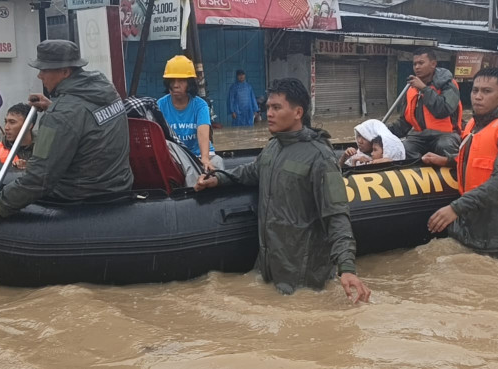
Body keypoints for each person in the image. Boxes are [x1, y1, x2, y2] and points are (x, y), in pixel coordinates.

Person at [194, 78, 370, 302]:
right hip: (269, 268)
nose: (269, 113)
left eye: (276, 108)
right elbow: (252, 171)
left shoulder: (320, 156)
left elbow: (337, 215)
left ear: (298, 112)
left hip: (303, 279)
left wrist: (347, 268)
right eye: (268, 107)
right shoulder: (273, 147)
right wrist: (218, 179)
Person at [0, 40, 133, 221]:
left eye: (44, 70)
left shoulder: (61, 114)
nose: (40, 76)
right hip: (118, 185)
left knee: (5, 184)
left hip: (83, 195)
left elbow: (40, 178)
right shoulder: (105, 90)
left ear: (65, 71)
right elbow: (84, 120)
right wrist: (52, 106)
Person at [427, 68, 498, 258]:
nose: (478, 96)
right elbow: (478, 160)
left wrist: (455, 207)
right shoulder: (473, 126)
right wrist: (447, 160)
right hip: (470, 223)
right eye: (475, 90)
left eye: (486, 91)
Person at [158, 55, 224, 186]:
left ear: (189, 83)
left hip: (199, 154)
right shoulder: (160, 105)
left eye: (181, 81)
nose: (176, 85)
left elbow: (203, 132)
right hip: (176, 156)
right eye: (172, 81)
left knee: (217, 164)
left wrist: (205, 158)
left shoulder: (200, 105)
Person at [387, 48, 461, 160]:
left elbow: (443, 110)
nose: (417, 67)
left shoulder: (449, 84)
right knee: (403, 148)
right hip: (421, 136)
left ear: (433, 64)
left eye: (421, 63)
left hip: (446, 135)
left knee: (444, 146)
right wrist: (382, 130)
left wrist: (424, 89)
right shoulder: (411, 89)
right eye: (414, 64)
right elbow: (404, 123)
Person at [0, 103, 36, 168]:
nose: (6, 127)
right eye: (6, 122)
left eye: (12, 122)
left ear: (29, 125)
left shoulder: (46, 150)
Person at [339, 119, 405, 167]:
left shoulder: (387, 156)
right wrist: (345, 156)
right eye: (358, 136)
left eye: (364, 138)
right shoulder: (358, 155)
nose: (359, 141)